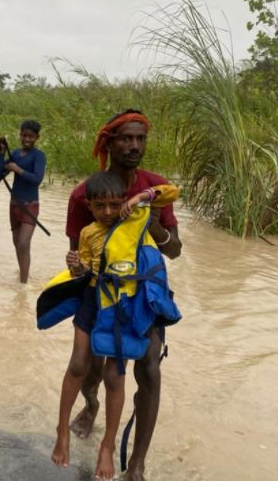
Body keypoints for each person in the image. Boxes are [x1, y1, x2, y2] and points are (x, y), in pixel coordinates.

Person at [65, 109, 182, 481]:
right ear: (109, 144)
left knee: (148, 367)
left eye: (140, 139)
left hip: (146, 293)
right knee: (92, 367)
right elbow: (78, 256)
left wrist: (154, 228)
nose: (134, 146)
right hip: (101, 293)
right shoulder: (85, 194)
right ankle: (92, 404)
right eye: (126, 139)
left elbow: (175, 249)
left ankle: (137, 464)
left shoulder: (156, 189)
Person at [5, 120, 46, 283]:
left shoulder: (38, 155)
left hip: (30, 206)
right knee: (17, 244)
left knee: (23, 243)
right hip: (14, 205)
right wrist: (1, 152)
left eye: (30, 136)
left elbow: (37, 179)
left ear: (37, 137)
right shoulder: (15, 153)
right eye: (23, 135)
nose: (26, 139)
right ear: (20, 135)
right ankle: (23, 272)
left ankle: (23, 283)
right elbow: (2, 169)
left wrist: (18, 170)